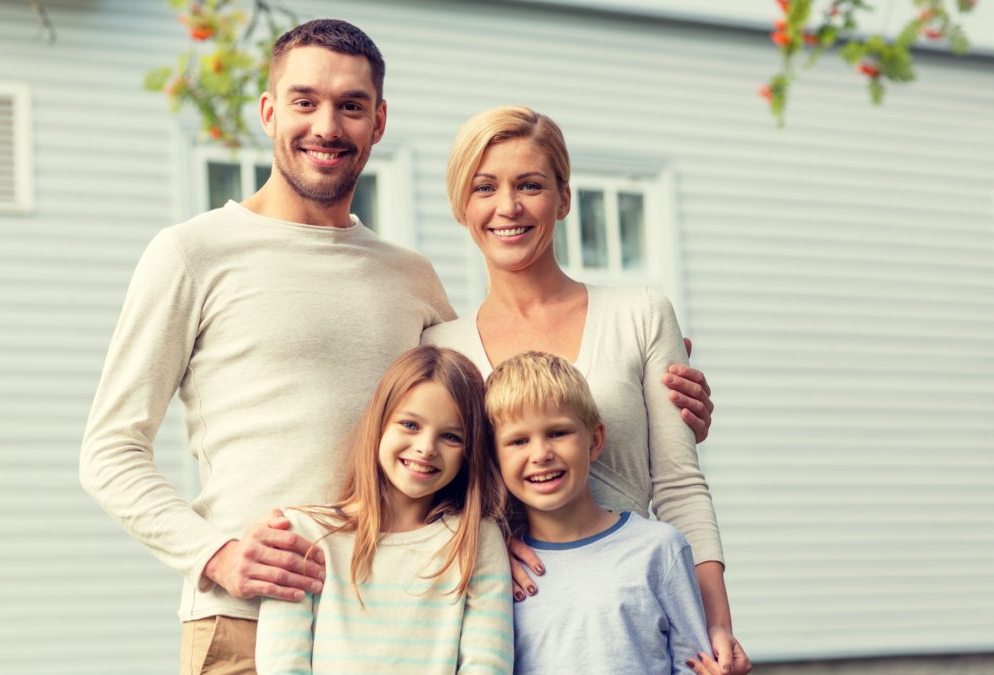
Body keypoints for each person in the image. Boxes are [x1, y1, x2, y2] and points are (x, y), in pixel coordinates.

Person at [80, 19, 713, 674]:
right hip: (251, 616)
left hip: (405, 629)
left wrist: (642, 394)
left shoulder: (409, 277)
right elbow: (109, 452)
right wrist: (216, 555)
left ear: (377, 122)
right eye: (305, 101)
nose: (327, 125)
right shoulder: (191, 253)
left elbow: (484, 413)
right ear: (269, 111)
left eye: (350, 106)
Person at [422, 105, 751, 674]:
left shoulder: (640, 314)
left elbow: (678, 482)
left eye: (531, 185)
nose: (509, 207)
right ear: (461, 205)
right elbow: (429, 493)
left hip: (629, 619)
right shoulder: (439, 346)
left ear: (564, 198)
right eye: (485, 187)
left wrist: (715, 623)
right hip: (506, 623)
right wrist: (488, 543)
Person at [255, 346, 513, 674]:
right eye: (410, 424)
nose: (426, 447)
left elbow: (488, 665)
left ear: (470, 451)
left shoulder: (476, 540)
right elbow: (282, 666)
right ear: (379, 424)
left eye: (451, 436)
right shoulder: (304, 534)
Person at [486, 350, 720, 674]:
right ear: (495, 460)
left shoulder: (659, 549)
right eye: (518, 441)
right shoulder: (499, 571)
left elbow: (694, 664)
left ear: (594, 440)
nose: (540, 454)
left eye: (557, 433)